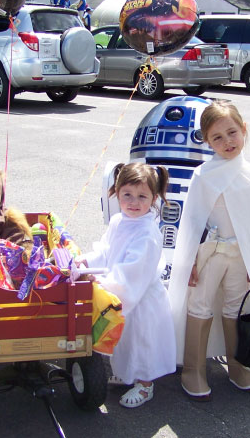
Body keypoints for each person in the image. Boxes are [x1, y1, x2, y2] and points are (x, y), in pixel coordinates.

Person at [168, 100, 250, 401]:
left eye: (232, 132)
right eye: (217, 137)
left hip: (241, 256)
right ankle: (193, 368)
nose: (227, 141)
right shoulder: (204, 175)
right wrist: (189, 259)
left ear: (244, 130)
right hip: (210, 254)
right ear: (207, 142)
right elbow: (192, 222)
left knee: (234, 307)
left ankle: (236, 364)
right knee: (200, 306)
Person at [75, 163, 176, 408]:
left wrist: (101, 281)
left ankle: (145, 384)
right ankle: (126, 374)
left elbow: (133, 271)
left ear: (154, 198)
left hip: (142, 300)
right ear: (116, 193)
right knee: (125, 340)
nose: (133, 202)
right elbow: (106, 249)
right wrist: (87, 260)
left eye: (142, 196)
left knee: (141, 342)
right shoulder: (119, 221)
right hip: (124, 292)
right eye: (127, 195)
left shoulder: (147, 232)